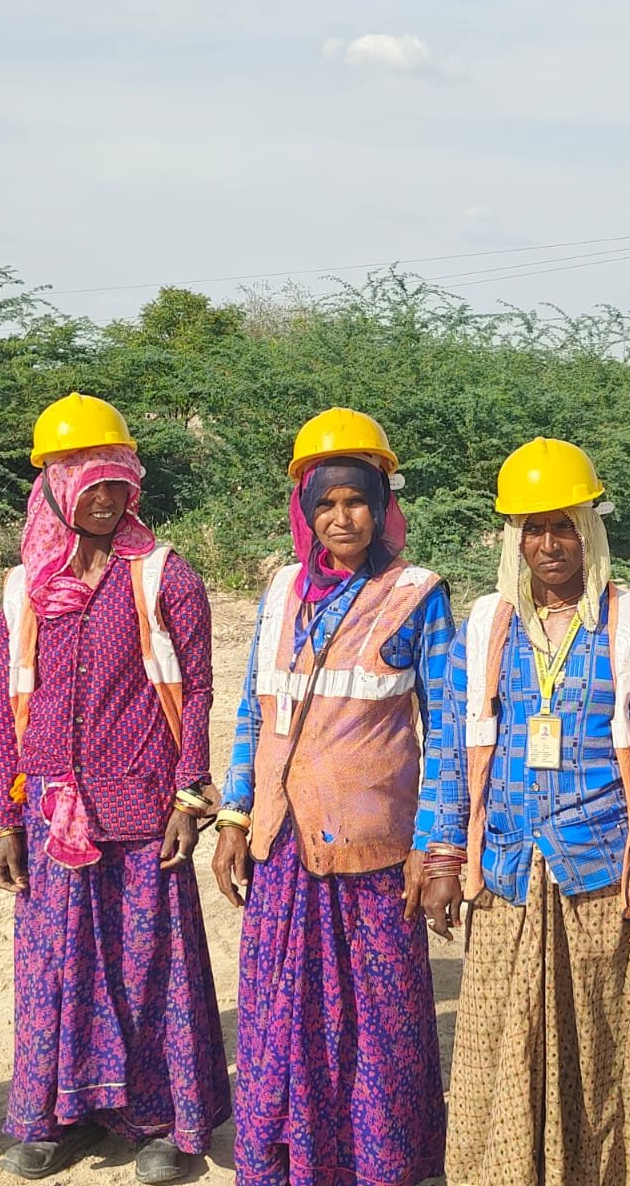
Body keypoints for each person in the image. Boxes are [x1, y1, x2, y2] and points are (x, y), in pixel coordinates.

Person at [418, 437, 630, 1186]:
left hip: (597, 875)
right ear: (514, 537)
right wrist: (444, 858)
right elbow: (452, 751)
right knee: (499, 1049)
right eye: (532, 528)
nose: (549, 545)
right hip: (506, 872)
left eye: (564, 526)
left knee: (601, 1054)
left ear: (590, 529)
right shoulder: (484, 629)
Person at [0, 393, 230, 1183]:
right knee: (55, 968)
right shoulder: (24, 588)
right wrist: (6, 816)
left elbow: (198, 688)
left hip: (141, 805)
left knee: (148, 969)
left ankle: (161, 1124)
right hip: (51, 813)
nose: (103, 493)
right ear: (54, 485)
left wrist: (190, 794)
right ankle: (56, 1117)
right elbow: (5, 706)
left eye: (116, 477)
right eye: (85, 478)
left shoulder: (163, 574)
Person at [213, 407, 453, 1186]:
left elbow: (448, 733)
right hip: (283, 845)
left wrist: (434, 845)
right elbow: (254, 710)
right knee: (282, 1014)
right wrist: (235, 814)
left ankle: (384, 1164)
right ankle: (291, 1159)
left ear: (382, 507)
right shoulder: (282, 591)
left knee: (380, 1016)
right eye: (327, 503)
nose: (342, 518)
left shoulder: (416, 595)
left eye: (357, 501)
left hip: (373, 848)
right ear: (305, 511)